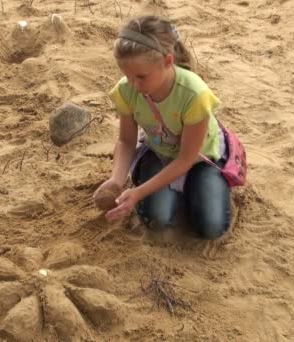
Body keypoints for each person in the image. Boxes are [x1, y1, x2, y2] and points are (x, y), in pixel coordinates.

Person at [93, 15, 232, 240]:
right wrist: (116, 180)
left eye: (141, 76)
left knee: (212, 227)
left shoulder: (195, 95)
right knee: (157, 220)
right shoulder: (126, 90)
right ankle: (176, 191)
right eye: (126, 75)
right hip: (159, 151)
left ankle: (202, 187)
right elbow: (126, 140)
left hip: (199, 157)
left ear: (168, 61)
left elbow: (186, 159)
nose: (134, 85)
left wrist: (138, 192)